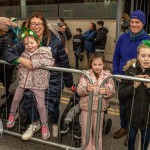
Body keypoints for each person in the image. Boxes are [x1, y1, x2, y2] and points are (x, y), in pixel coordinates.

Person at [4, 12, 73, 140]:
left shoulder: (55, 42)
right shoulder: (25, 40)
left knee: (51, 104)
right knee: (29, 100)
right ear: (29, 25)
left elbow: (65, 63)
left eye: (39, 24)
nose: (36, 26)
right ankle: (35, 124)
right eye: (33, 23)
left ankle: (53, 124)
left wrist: (70, 84)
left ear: (44, 25)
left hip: (53, 79)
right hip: (31, 80)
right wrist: (21, 60)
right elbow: (8, 53)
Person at [6, 28, 55, 141]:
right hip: (24, 82)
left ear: (38, 42)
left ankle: (44, 125)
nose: (29, 45)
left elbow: (51, 62)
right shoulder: (23, 54)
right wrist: (20, 62)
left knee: (41, 106)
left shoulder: (43, 52)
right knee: (16, 99)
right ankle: (12, 115)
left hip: (38, 84)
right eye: (27, 43)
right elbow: (16, 62)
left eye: (32, 43)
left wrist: (35, 63)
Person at [112, 10, 150, 143]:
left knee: (135, 107)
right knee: (123, 106)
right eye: (132, 22)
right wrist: (116, 73)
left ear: (143, 23)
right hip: (122, 79)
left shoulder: (147, 40)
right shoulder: (123, 37)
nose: (133, 24)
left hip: (139, 80)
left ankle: (132, 134)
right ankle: (124, 127)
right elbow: (116, 56)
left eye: (137, 22)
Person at [77, 52, 115, 150]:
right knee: (86, 132)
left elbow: (113, 92)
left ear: (103, 64)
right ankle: (87, 148)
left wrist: (106, 91)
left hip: (100, 109)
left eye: (100, 64)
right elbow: (79, 90)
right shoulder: (86, 74)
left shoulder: (107, 75)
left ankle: (97, 148)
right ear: (91, 64)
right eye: (95, 64)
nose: (97, 67)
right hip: (86, 108)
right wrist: (86, 89)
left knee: (98, 132)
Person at [118, 40, 150, 150]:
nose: (146, 59)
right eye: (143, 55)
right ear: (138, 56)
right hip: (131, 116)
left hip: (148, 118)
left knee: (145, 141)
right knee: (131, 139)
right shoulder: (130, 71)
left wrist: (149, 88)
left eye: (149, 56)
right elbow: (121, 94)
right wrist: (133, 87)